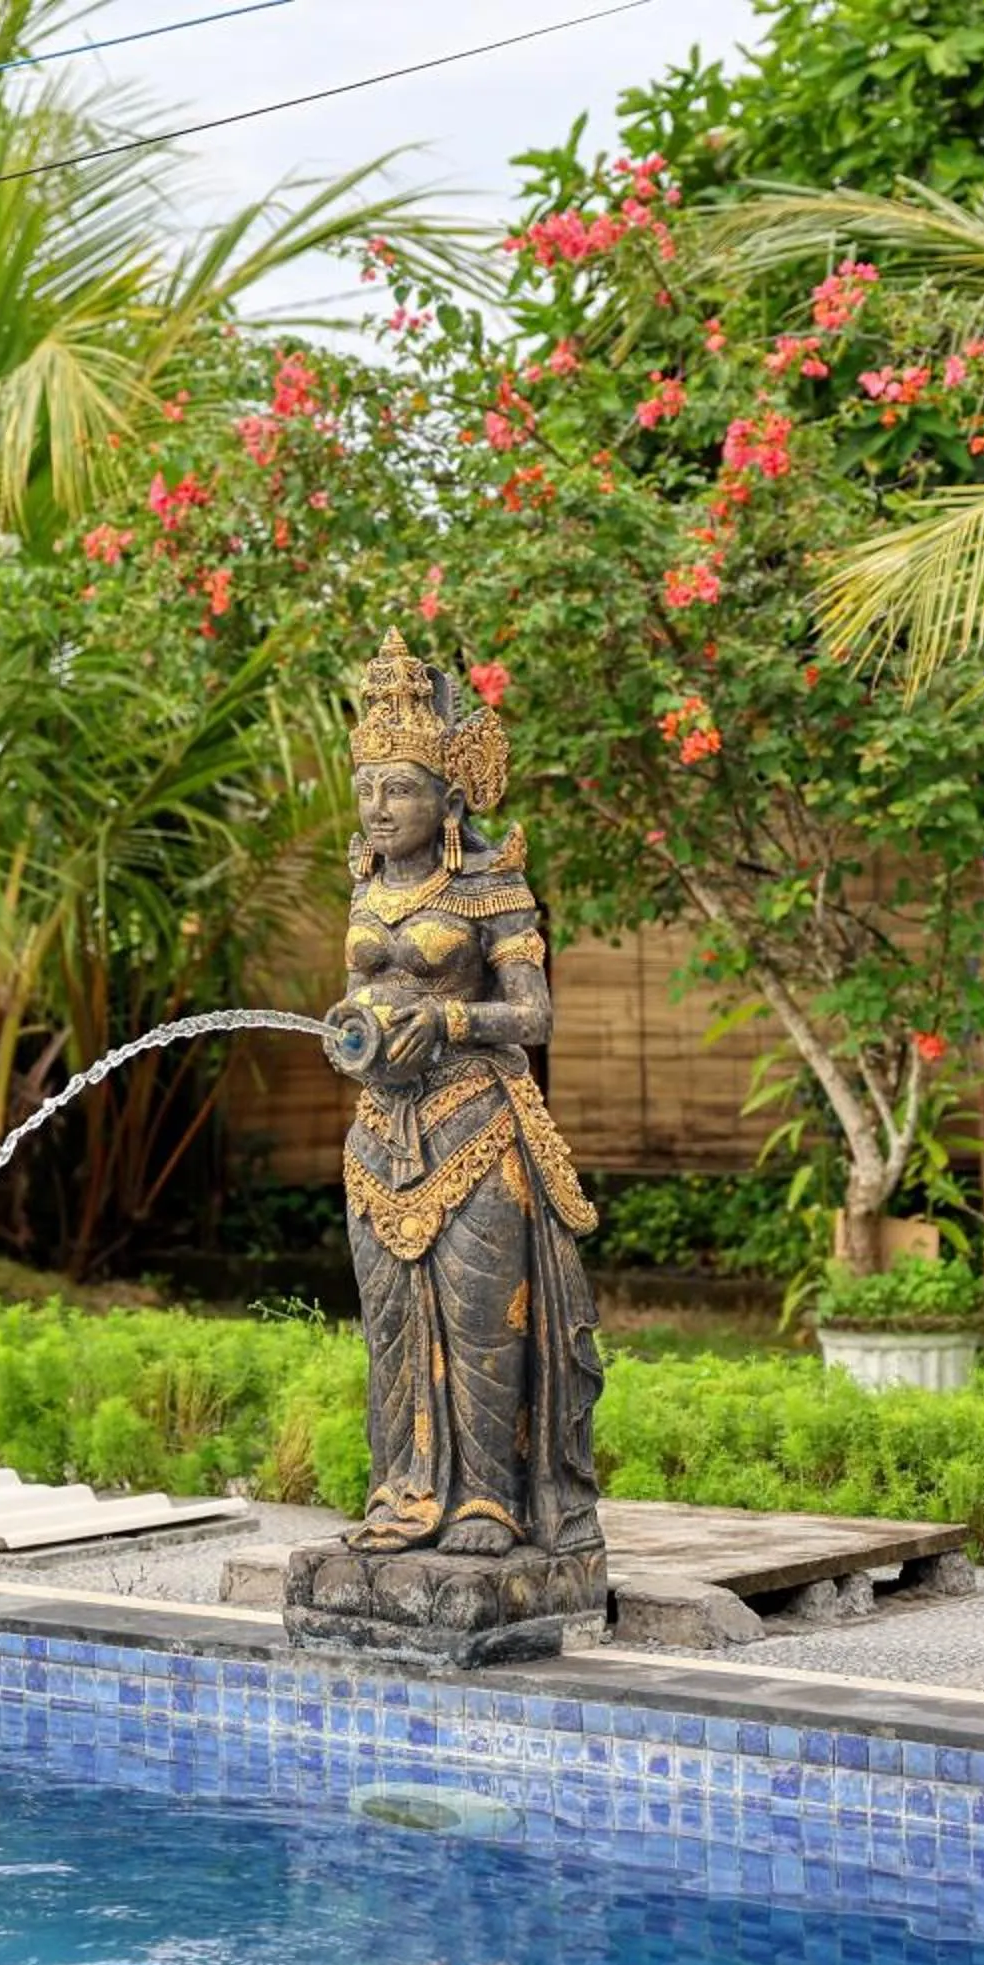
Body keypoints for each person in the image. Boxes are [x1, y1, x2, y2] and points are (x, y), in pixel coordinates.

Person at [322, 631, 604, 1559]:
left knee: (485, 1324)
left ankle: (489, 1499)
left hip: (474, 1124)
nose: (377, 809)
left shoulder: (492, 886)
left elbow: (534, 1014)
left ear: (447, 796)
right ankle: (404, 1491)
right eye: (366, 790)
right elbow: (361, 996)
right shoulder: (364, 892)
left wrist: (446, 1024)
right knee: (392, 1324)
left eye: (398, 789)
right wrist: (353, 1033)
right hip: (381, 1134)